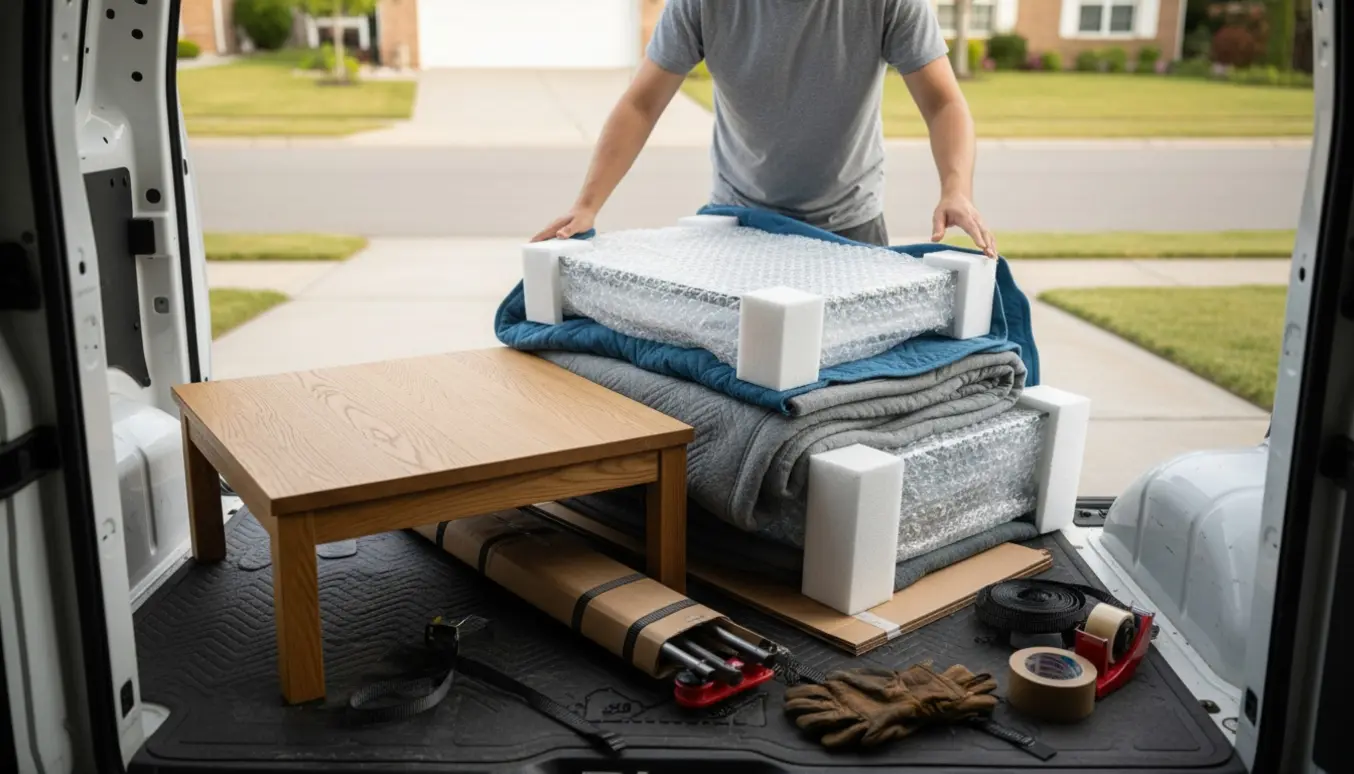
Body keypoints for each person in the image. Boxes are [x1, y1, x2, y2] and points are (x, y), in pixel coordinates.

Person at [532, 0, 997, 256]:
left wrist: (957, 189)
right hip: (736, 221)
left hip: (850, 228)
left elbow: (943, 102)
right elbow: (641, 103)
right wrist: (587, 205)